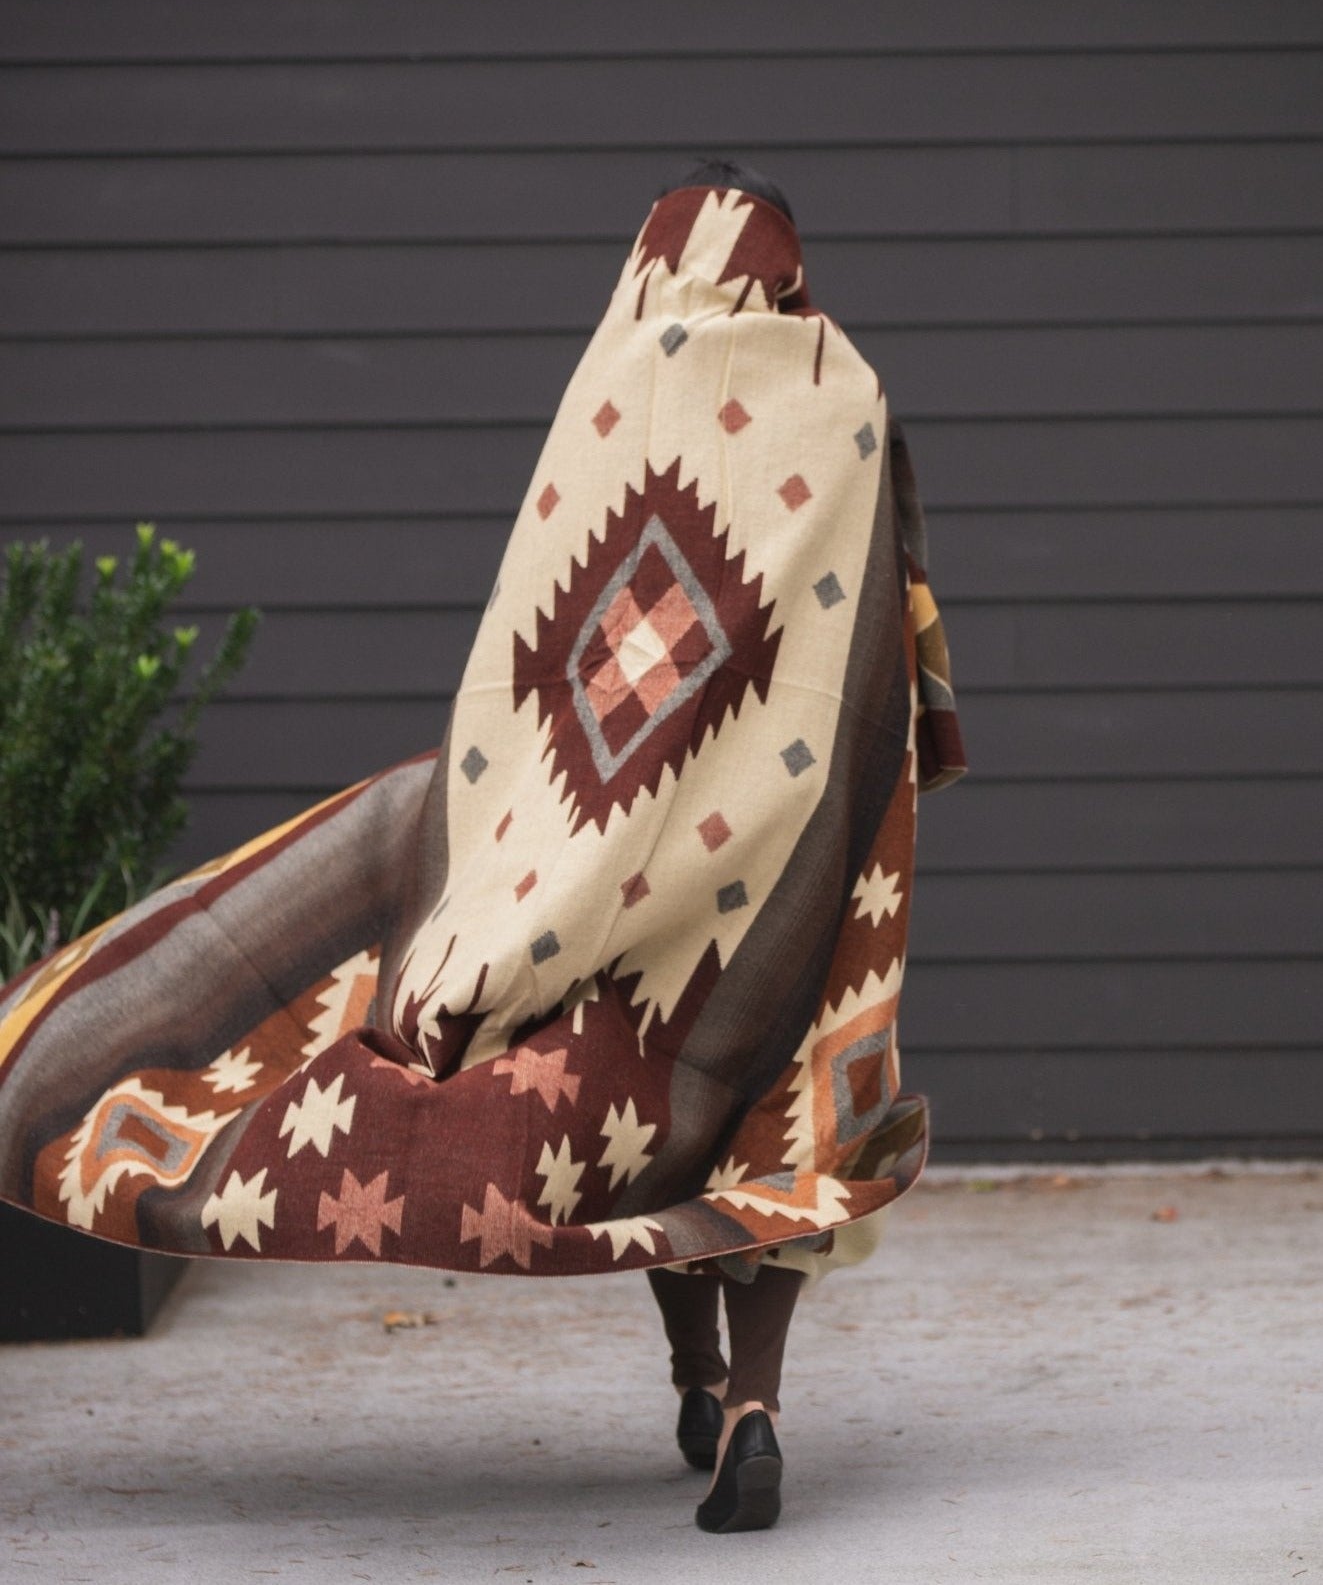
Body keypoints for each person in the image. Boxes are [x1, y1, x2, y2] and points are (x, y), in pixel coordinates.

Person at [0, 157, 967, 1535]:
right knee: (773, 1110)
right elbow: (881, 635)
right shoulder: (849, 402)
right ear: (787, 267)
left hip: (584, 867)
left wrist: (526, 858)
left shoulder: (616, 386)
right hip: (779, 876)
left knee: (634, 1096)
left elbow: (537, 657)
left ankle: (690, 1374)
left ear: (655, 261)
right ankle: (745, 1401)